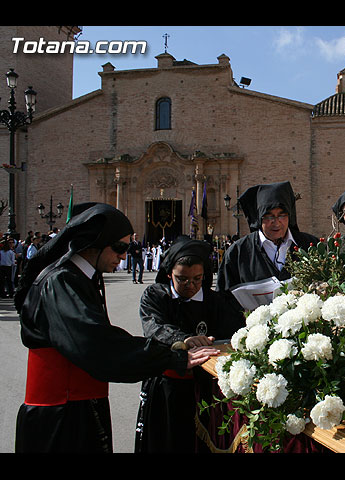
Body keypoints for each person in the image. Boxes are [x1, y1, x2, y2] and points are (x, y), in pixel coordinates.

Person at [13, 203, 220, 453]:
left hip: (80, 407)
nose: (124, 256)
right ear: (95, 243)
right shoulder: (61, 281)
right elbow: (99, 345)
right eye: (120, 247)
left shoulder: (77, 277)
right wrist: (173, 357)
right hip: (61, 416)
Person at [135, 236, 245, 453]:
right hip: (167, 387)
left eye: (197, 279)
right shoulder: (156, 295)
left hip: (204, 389)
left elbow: (235, 331)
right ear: (169, 274)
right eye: (182, 279)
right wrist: (183, 339)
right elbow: (154, 326)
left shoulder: (216, 301)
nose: (191, 286)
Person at [216, 181, 319, 303]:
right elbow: (222, 300)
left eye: (282, 215)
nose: (276, 222)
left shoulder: (311, 245)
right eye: (269, 216)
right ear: (259, 218)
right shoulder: (237, 253)